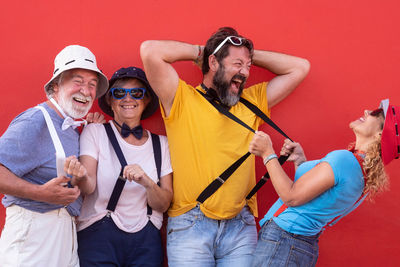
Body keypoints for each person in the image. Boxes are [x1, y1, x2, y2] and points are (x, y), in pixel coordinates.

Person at [140, 26, 310, 266]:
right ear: (213, 62)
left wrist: (248, 55)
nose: (245, 73)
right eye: (237, 64)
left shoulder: (252, 101)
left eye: (248, 67)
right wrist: (205, 50)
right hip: (191, 223)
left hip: (240, 225)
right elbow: (150, 51)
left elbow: (300, 67)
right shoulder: (180, 97)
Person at [249, 99, 398, 267]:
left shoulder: (345, 160)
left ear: (380, 135)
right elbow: (319, 199)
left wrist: (267, 152)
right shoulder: (362, 171)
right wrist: (300, 161)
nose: (366, 111)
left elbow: (291, 197)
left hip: (283, 242)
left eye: (375, 113)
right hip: (298, 246)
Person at [0, 45, 108, 267]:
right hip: (34, 232)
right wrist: (40, 193)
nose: (85, 91)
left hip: (65, 232)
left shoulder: (71, 127)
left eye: (92, 85)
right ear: (56, 86)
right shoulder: (35, 120)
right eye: (77, 81)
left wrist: (89, 129)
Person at [76, 66, 173, 267]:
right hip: (98, 237)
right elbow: (88, 187)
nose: (128, 98)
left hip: (146, 242)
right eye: (119, 92)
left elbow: (163, 204)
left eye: (136, 92)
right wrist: (77, 174)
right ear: (110, 100)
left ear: (146, 101)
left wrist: (147, 183)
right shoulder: (95, 132)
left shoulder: (161, 144)